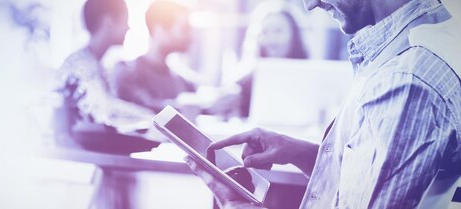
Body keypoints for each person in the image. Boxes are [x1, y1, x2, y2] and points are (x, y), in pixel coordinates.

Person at [186, 0, 461, 208]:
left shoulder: (404, 82)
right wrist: (300, 153)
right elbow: (374, 174)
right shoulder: (428, 38)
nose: (309, 4)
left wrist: (238, 206)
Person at [58, 0, 153, 128]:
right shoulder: (81, 64)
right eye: (126, 20)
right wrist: (150, 117)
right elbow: (104, 109)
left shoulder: (95, 62)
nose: (129, 27)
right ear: (108, 22)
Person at [237, 1, 309, 117]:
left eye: (278, 31)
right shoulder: (244, 82)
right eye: (265, 32)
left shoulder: (310, 76)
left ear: (294, 35)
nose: (271, 39)